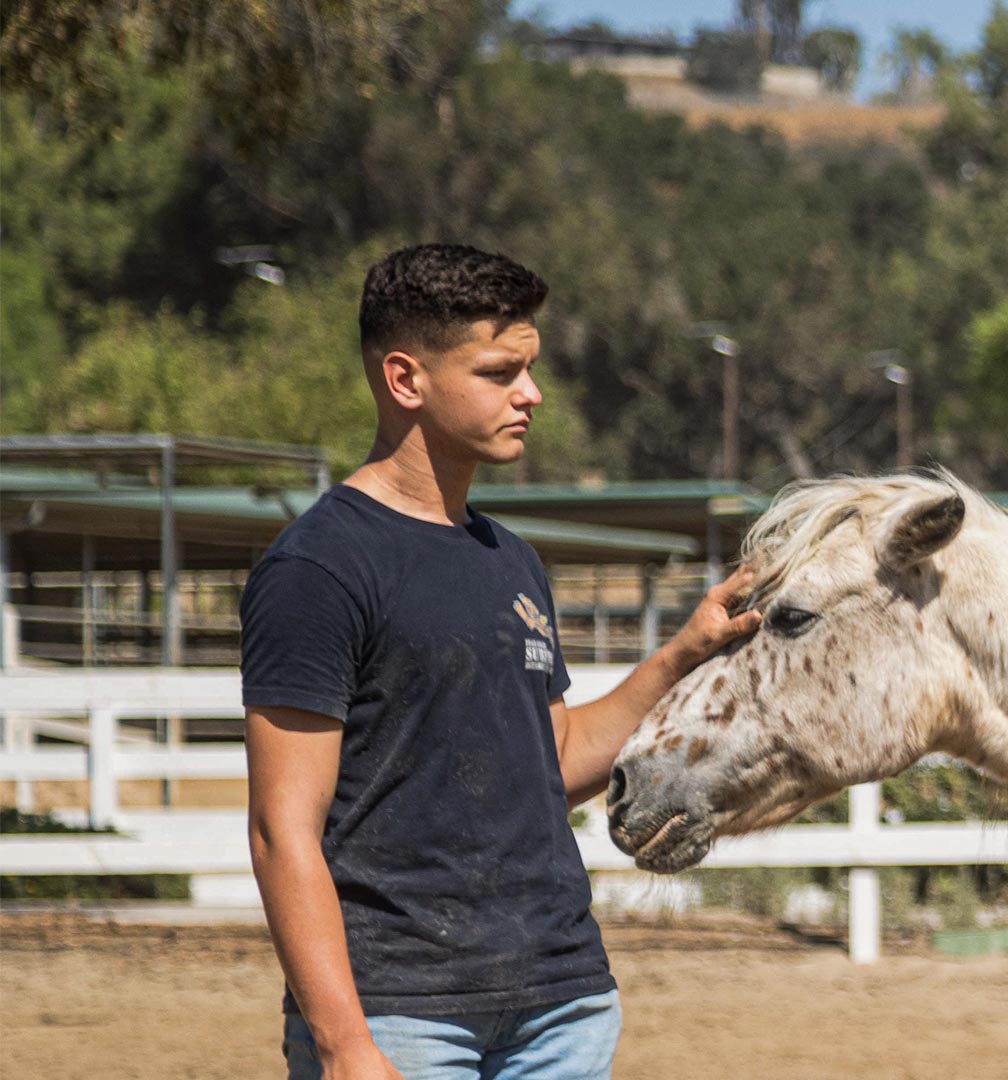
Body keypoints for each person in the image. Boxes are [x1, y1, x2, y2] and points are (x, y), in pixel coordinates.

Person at [240, 243, 760, 1080]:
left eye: (530, 368)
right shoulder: (319, 568)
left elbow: (552, 762)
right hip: (401, 1014)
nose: (531, 393)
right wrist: (343, 1044)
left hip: (563, 1005)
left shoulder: (511, 560)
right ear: (405, 380)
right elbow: (281, 829)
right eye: (499, 372)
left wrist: (682, 656)